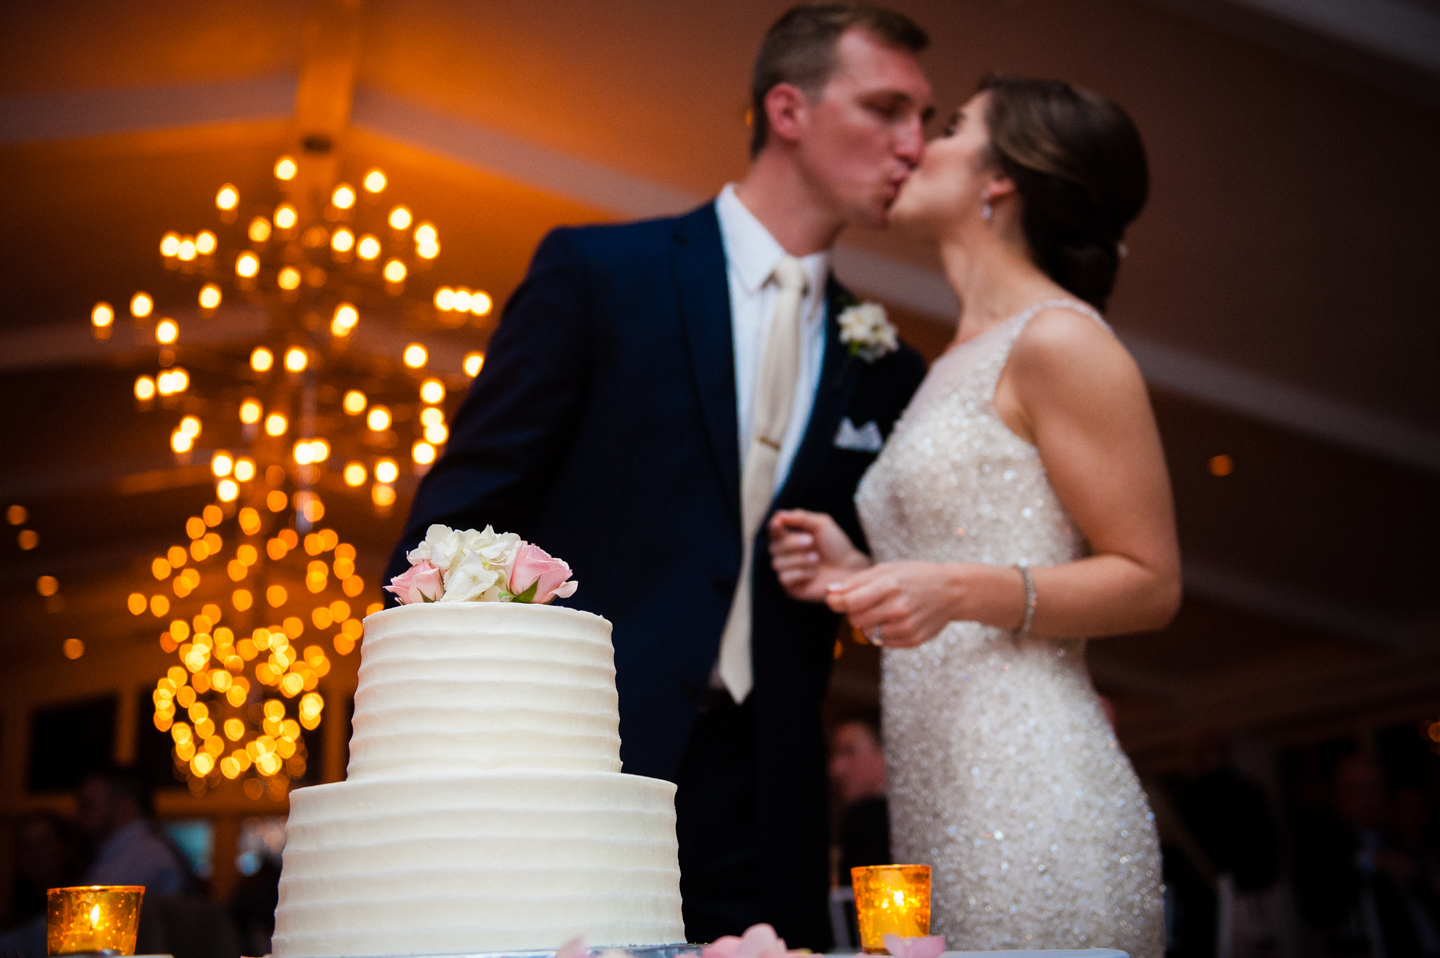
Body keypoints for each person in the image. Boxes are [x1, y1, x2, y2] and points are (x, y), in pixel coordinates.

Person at [384, 3, 932, 947]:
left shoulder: (884, 363)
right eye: (888, 110)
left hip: (770, 793)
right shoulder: (601, 275)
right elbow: (454, 521)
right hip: (582, 764)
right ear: (789, 109)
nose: (914, 145)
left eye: (924, 119)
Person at [769, 75, 1180, 956]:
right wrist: (857, 571)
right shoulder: (951, 360)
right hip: (930, 800)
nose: (918, 143)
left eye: (951, 127)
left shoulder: (1061, 340)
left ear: (1003, 179)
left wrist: (951, 588)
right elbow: (961, 550)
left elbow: (1151, 582)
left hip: (1033, 804)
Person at [75, 766, 192, 894]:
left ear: (125, 806)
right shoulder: (133, 847)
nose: (77, 816)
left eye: (88, 806)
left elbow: (88, 904)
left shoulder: (143, 852)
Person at [828, 713, 890, 882]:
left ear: (884, 752)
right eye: (834, 755)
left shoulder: (867, 816)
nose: (836, 769)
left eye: (849, 752)